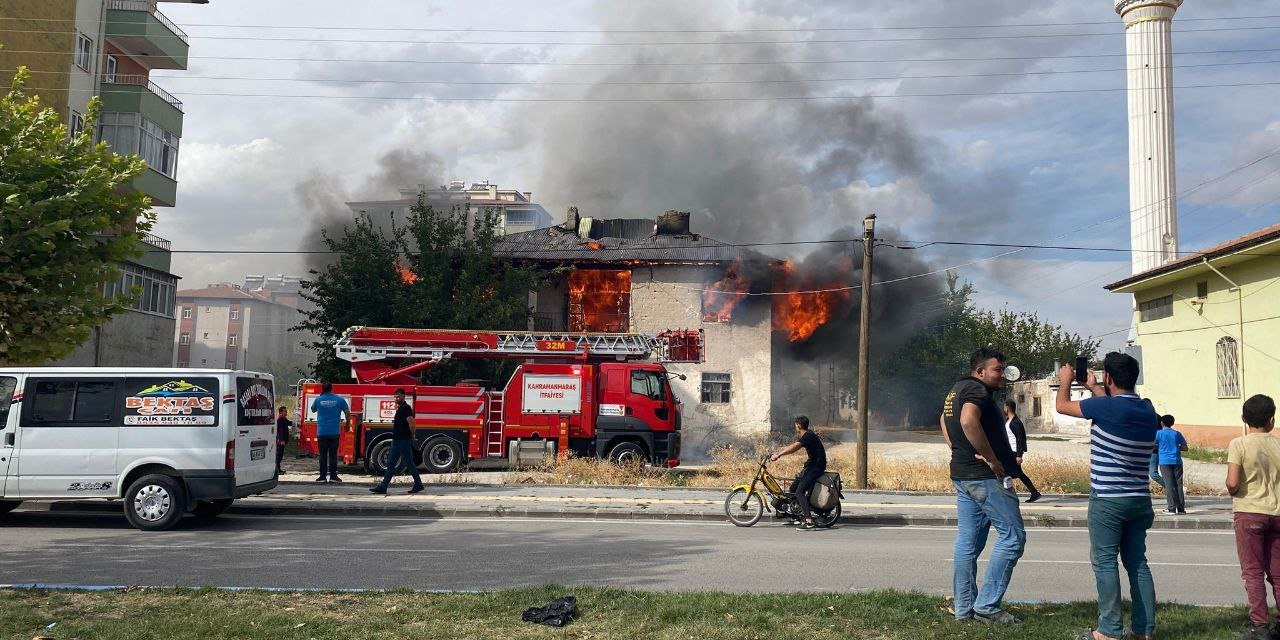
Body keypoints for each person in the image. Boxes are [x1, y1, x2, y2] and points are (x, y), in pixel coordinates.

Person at [1055, 352, 1159, 640]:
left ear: (1109, 377)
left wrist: (1066, 380)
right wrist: (1095, 388)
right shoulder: (1148, 411)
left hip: (1109, 499)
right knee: (1137, 562)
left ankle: (1109, 631)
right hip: (1139, 498)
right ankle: (1145, 630)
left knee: (1104, 562)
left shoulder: (1106, 408)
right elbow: (1114, 408)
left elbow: (1062, 405)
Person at [940, 347, 1025, 625]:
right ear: (980, 372)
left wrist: (956, 447)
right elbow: (966, 420)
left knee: (968, 543)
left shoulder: (956, 389)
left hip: (963, 474)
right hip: (985, 477)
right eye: (997, 370)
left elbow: (944, 419)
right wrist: (991, 459)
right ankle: (988, 605)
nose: (1002, 375)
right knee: (1013, 537)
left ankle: (964, 610)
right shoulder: (977, 390)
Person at [1226, 394, 1280, 640]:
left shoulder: (1239, 444)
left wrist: (1232, 489)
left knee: (1253, 572)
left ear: (1243, 419)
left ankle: (1259, 627)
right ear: (1272, 420)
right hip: (1277, 513)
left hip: (1250, 512)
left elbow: (1233, 482)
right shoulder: (1278, 444)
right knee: (1277, 573)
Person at [770, 415, 827, 531]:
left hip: (816, 467)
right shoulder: (807, 435)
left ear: (798, 425)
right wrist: (778, 451)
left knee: (800, 492)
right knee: (793, 489)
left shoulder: (808, 436)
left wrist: (779, 455)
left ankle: (809, 521)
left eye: (795, 425)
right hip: (811, 466)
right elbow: (793, 445)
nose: (795, 427)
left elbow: (795, 447)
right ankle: (796, 516)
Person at [370, 388, 424, 495]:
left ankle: (384, 486)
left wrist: (412, 434)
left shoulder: (406, 408)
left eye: (398, 396)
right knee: (401, 463)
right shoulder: (401, 408)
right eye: (395, 397)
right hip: (398, 440)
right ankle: (417, 484)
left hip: (402, 441)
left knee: (397, 463)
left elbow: (412, 423)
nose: (396, 398)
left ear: (403, 396)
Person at [309, 382, 350, 484]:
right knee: (333, 455)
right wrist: (347, 424)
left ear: (323, 389)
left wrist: (321, 398)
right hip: (334, 432)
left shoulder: (318, 400)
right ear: (332, 388)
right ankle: (333, 476)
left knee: (322, 455)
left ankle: (322, 477)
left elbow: (312, 409)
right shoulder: (339, 399)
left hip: (322, 432)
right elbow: (347, 412)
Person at [1003, 401, 1042, 503]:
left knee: (1007, 473)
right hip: (1010, 451)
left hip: (1015, 452)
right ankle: (1034, 493)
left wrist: (1019, 455)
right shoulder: (1008, 421)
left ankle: (1007, 496)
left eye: (1004, 407)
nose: (1004, 410)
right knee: (1017, 474)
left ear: (1007, 408)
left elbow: (1020, 439)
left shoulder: (1016, 422)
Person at [1155, 414, 1188, 515]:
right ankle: (1181, 508)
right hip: (1177, 461)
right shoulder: (1177, 434)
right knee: (1178, 485)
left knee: (1169, 485)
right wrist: (1176, 448)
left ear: (1162, 422)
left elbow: (1152, 445)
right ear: (1172, 423)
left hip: (1164, 461)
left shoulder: (1158, 433)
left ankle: (1171, 508)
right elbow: (1185, 448)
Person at [275, 406, 292, 475]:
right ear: (281, 412)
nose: (286, 412)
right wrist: (281, 439)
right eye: (285, 411)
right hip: (280, 441)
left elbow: (289, 423)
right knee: (279, 455)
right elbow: (280, 431)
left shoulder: (284, 418)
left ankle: (278, 469)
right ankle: (277, 470)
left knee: (280, 455)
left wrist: (298, 423)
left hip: (282, 440)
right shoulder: (279, 419)